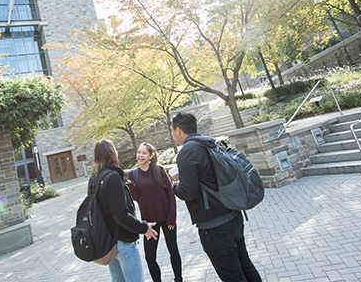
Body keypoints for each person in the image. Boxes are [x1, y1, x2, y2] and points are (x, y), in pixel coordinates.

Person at [170, 113, 262, 282]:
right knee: (246, 265)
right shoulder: (210, 143)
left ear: (178, 130)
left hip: (214, 225)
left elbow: (188, 191)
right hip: (233, 214)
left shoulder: (187, 152)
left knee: (232, 276)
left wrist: (175, 186)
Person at [91, 139, 158, 282]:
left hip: (108, 242)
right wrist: (144, 227)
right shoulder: (113, 176)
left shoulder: (94, 178)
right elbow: (120, 215)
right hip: (123, 242)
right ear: (112, 153)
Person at [126, 143, 183, 282]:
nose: (140, 155)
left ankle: (178, 279)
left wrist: (172, 217)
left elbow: (170, 194)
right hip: (149, 222)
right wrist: (131, 188)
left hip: (167, 217)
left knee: (173, 250)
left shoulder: (159, 170)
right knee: (150, 257)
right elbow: (135, 199)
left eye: (144, 153)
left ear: (151, 155)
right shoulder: (133, 174)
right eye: (139, 152)